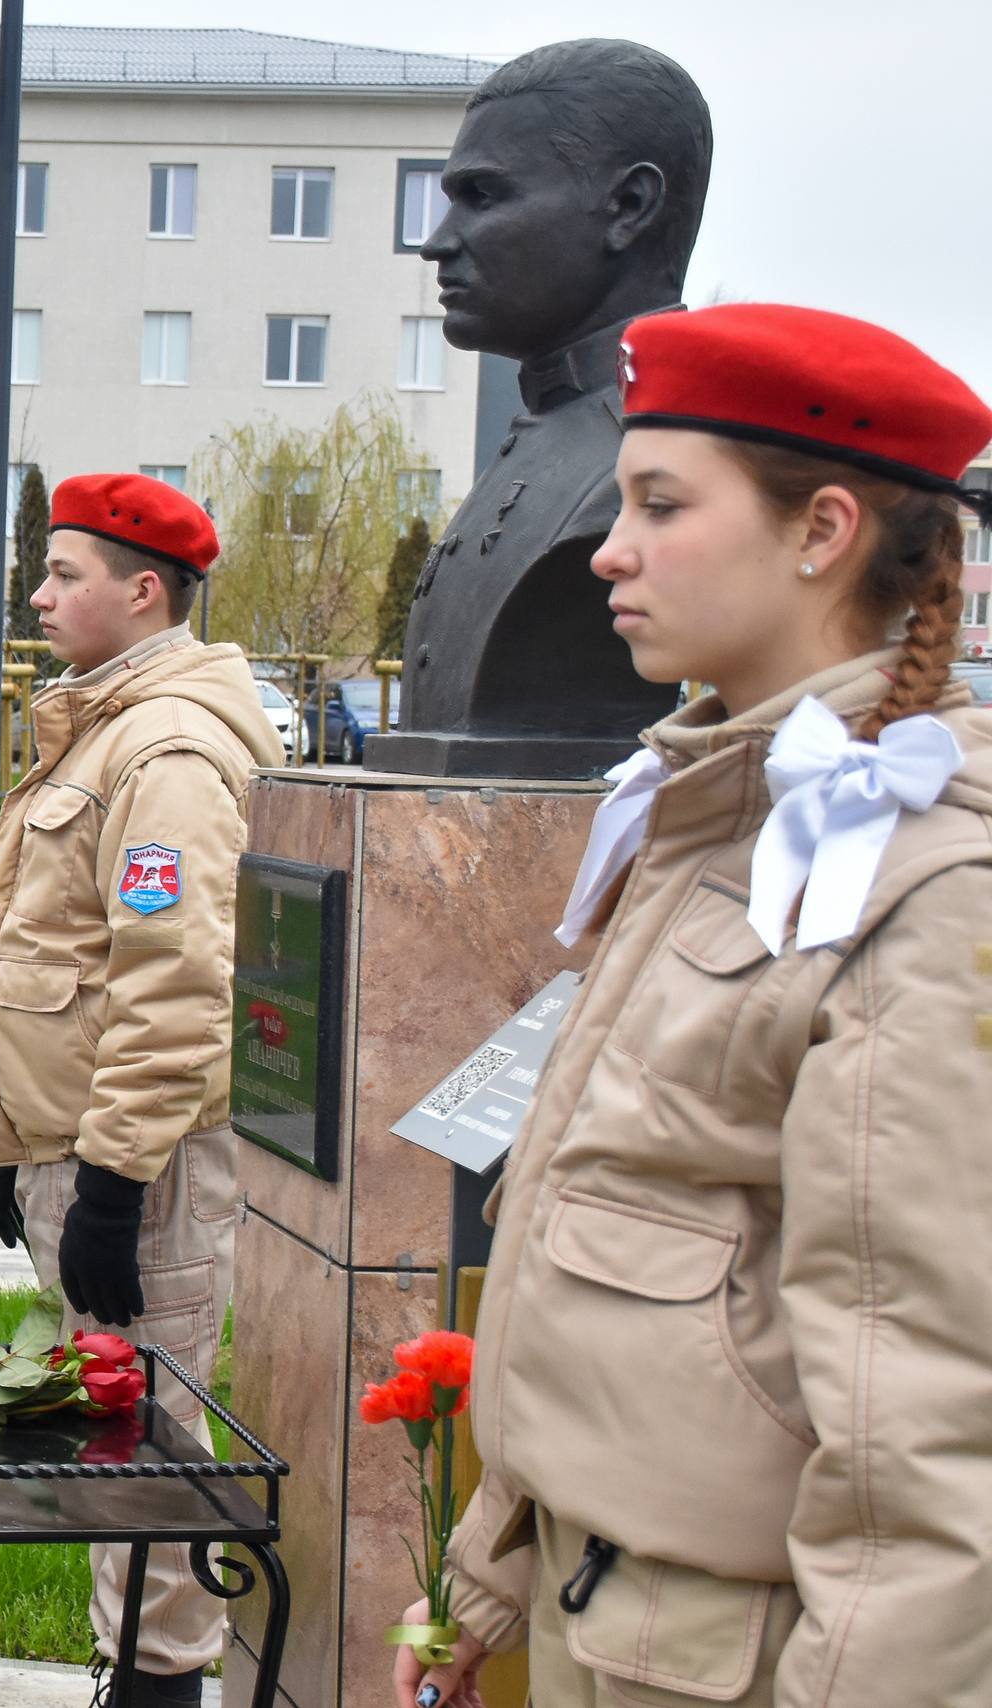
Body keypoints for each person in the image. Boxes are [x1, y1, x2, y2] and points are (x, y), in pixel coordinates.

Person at [398, 304, 992, 1708]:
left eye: (661, 506)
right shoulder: (723, 808)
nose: (609, 550)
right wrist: (486, 1574)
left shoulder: (918, 872)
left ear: (821, 530)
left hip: (738, 1651)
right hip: (609, 1598)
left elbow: (922, 1405)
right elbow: (620, 1214)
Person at [0, 472, 282, 1706]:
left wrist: (109, 1181)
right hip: (89, 1149)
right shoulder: (107, 725)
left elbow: (175, 980)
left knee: (151, 1437)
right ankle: (134, 1673)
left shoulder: (167, 751)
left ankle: (159, 1685)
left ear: (144, 591)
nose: (39, 597)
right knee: (117, 1428)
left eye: (63, 575)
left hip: (139, 1169)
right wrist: (14, 1149)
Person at [369, 38, 713, 778]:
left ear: (628, 207)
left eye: (483, 196)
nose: (437, 243)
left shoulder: (654, 453)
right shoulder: (548, 433)